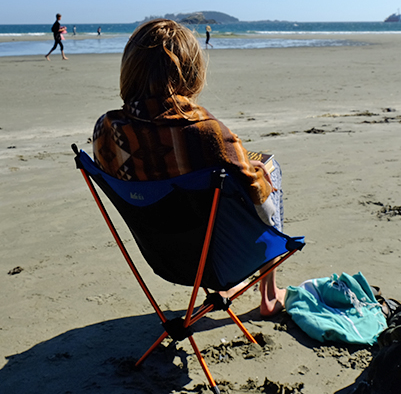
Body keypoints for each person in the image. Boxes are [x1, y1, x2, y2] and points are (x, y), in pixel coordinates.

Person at [93, 19, 286, 316]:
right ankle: (269, 294)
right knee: (268, 171)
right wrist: (258, 174)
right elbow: (264, 210)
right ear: (192, 72)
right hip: (221, 259)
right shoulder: (207, 134)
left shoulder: (106, 131)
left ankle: (225, 289)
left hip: (165, 257)